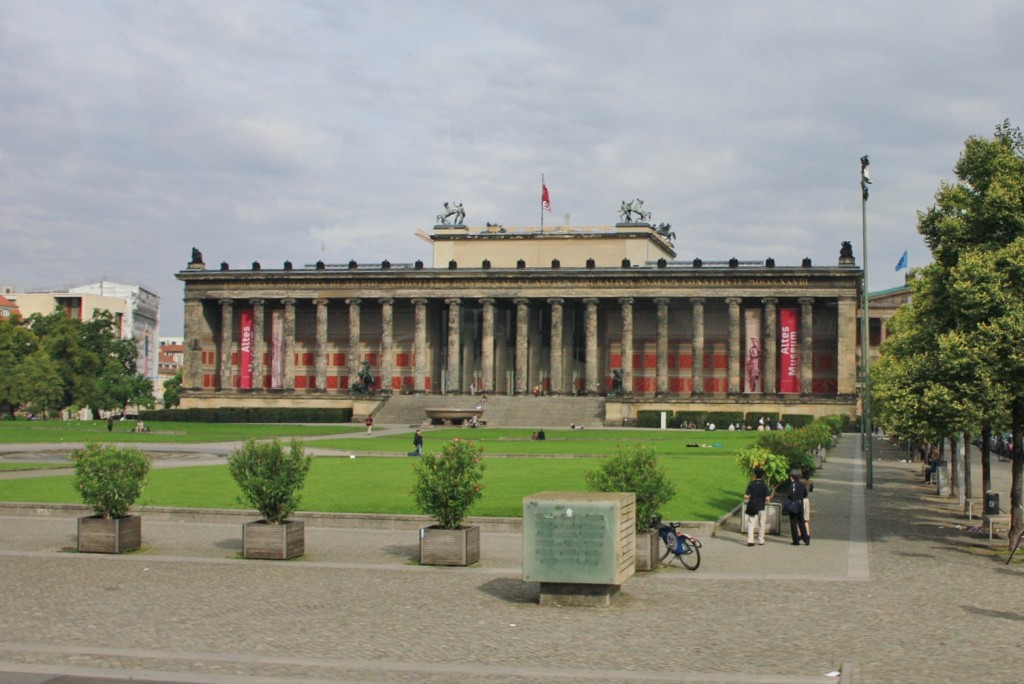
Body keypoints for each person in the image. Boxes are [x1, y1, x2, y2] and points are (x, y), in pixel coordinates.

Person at [743, 466, 771, 546]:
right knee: (761, 524)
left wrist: (749, 497)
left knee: (751, 523)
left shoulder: (751, 484)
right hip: (761, 506)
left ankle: (750, 540)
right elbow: (767, 497)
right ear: (762, 475)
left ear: (755, 475)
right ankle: (761, 540)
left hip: (752, 505)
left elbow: (746, 496)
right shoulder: (764, 485)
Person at [785, 468, 810, 545]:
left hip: (793, 505)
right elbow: (805, 494)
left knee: (793, 523)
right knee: (801, 522)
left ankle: (795, 540)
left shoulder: (791, 485)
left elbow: (789, 494)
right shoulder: (801, 484)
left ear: (791, 477)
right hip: (800, 504)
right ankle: (806, 539)